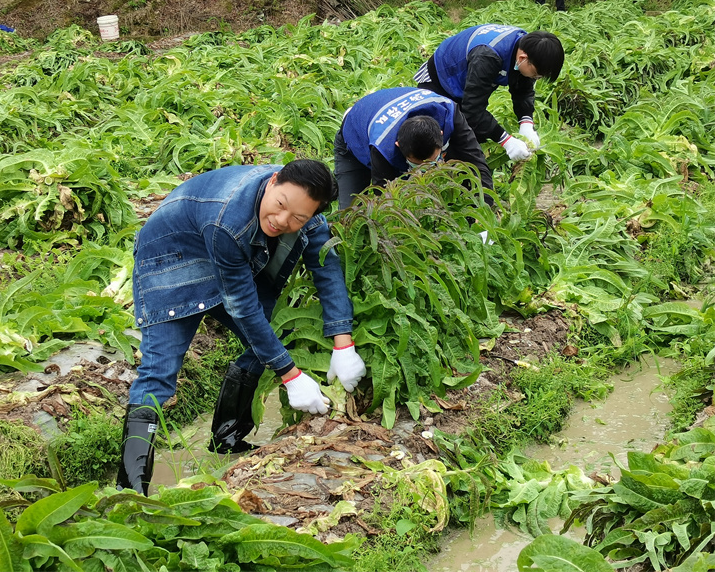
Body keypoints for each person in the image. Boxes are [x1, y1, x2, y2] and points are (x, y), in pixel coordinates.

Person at [118, 160, 367, 495]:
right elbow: (245, 309)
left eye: (299, 218)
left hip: (228, 252)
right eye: (280, 206)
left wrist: (343, 342)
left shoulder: (307, 211)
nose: (283, 221)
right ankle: (131, 491)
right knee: (158, 372)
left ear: (314, 214)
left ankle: (227, 439)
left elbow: (327, 268)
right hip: (171, 258)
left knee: (271, 336)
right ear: (274, 181)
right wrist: (290, 376)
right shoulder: (228, 219)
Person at [414, 25, 565, 162]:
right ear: (523, 59)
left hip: (467, 83)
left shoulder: (525, 45)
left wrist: (526, 122)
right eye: (536, 76)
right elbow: (473, 110)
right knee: (436, 140)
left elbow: (523, 88)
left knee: (471, 138)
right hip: (439, 79)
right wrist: (506, 140)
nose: (535, 79)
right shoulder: (487, 57)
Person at [334, 87, 494, 209]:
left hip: (385, 108)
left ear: (441, 134)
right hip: (356, 135)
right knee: (352, 213)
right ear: (398, 145)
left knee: (459, 178)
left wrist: (484, 211)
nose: (426, 169)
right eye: (417, 164)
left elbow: (477, 164)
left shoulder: (449, 112)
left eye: (433, 160)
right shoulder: (383, 148)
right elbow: (386, 201)